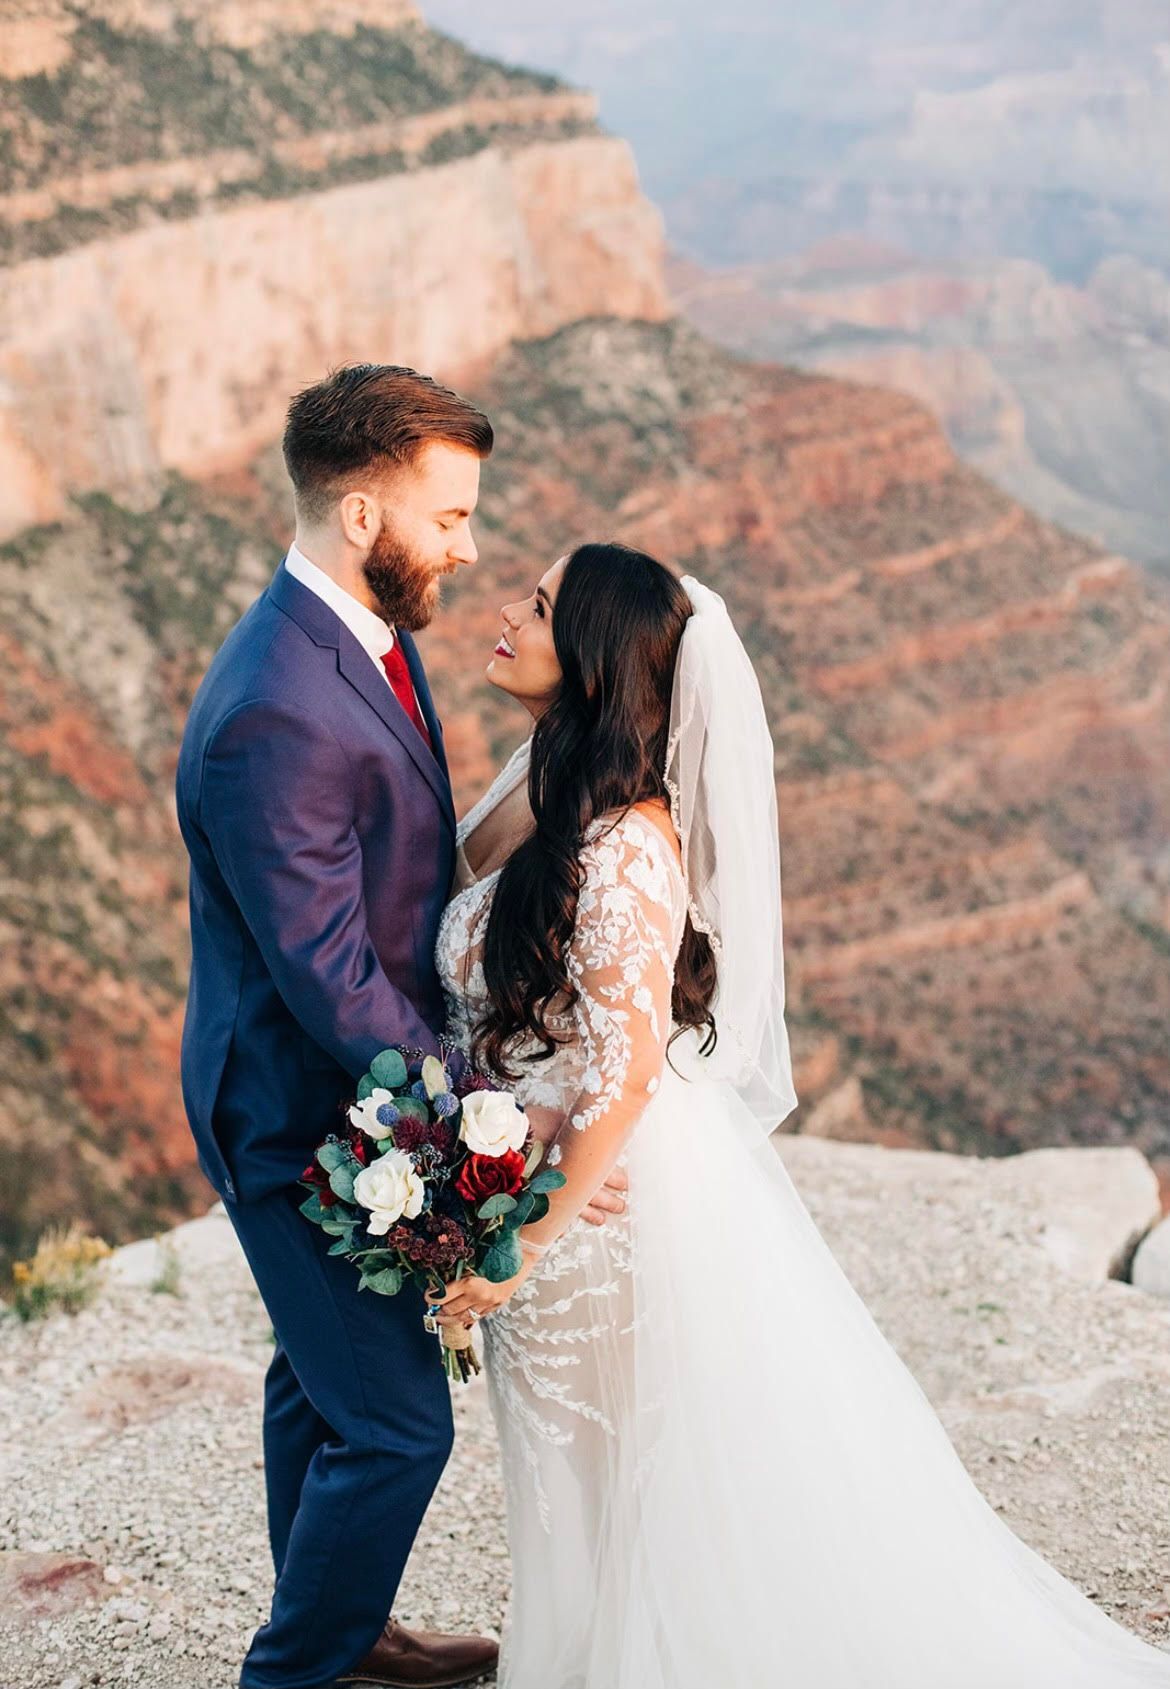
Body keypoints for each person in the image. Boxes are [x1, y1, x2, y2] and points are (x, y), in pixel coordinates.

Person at [433, 540, 1170, 1688]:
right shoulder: (546, 797)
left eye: (537, 607)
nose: (507, 616)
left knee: (627, 1481)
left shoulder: (625, 845)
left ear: (591, 662)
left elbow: (625, 1073)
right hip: (542, 1175)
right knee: (570, 1481)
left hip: (592, 1210)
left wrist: (521, 1241)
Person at [174, 366, 626, 1689]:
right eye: (450, 514)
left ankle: (352, 1634)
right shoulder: (276, 709)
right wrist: (498, 1106)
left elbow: (407, 870)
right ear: (365, 509)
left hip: (346, 1095)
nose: (469, 545)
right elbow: (328, 983)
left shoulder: (359, 632)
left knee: (315, 1382)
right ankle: (295, 1672)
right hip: (291, 1112)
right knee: (395, 1430)